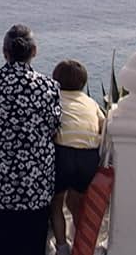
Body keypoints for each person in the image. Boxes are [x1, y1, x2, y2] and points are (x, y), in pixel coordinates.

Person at [0, 24, 62, 255]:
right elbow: (53, 128)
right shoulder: (49, 87)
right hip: (32, 189)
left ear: (4, 52)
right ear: (34, 51)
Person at [50, 60, 105, 255]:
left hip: (62, 154)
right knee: (77, 203)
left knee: (56, 203)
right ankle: (84, 244)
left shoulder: (53, 97)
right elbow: (103, 125)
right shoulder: (91, 102)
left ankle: (62, 246)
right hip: (87, 157)